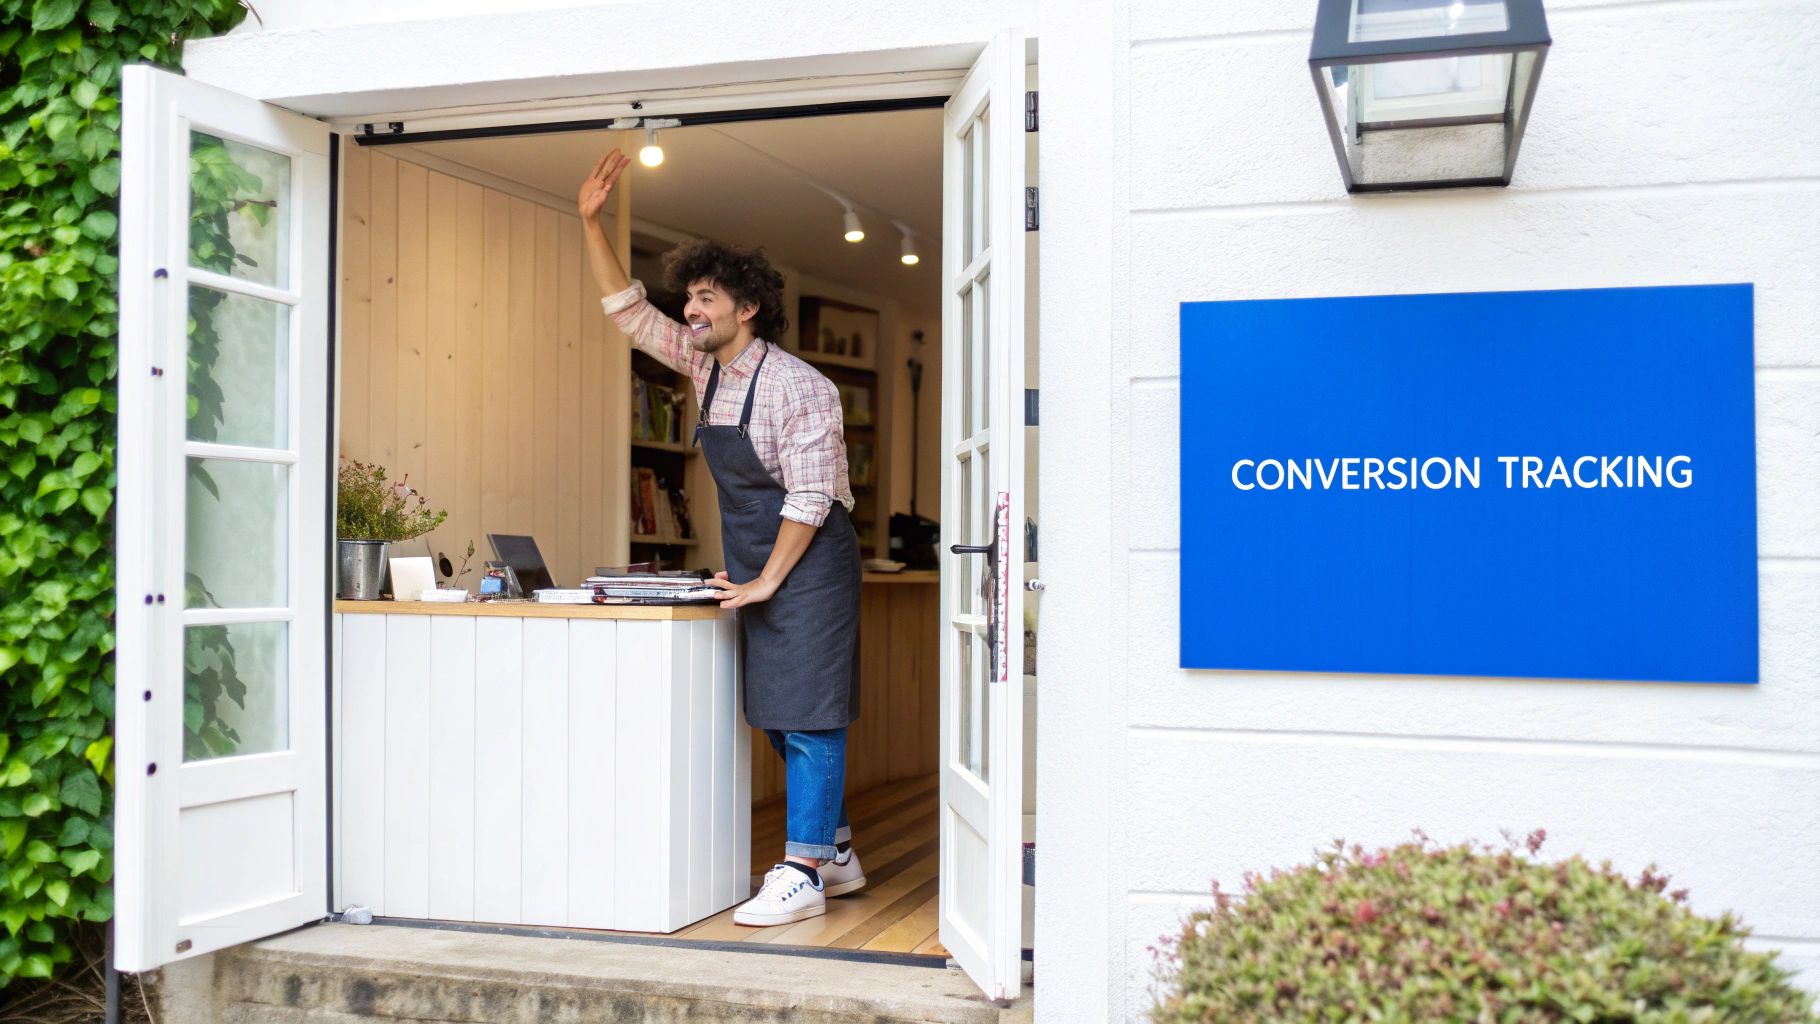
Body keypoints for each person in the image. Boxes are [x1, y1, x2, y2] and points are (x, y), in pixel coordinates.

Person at [578, 150, 865, 926]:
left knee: (811, 716)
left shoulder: (801, 386)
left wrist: (771, 580)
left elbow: (807, 497)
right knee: (775, 710)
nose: (690, 310)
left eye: (706, 298)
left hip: (811, 561)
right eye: (690, 298)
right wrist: (590, 222)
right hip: (757, 559)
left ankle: (802, 869)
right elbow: (629, 313)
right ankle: (835, 848)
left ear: (749, 310)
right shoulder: (702, 367)